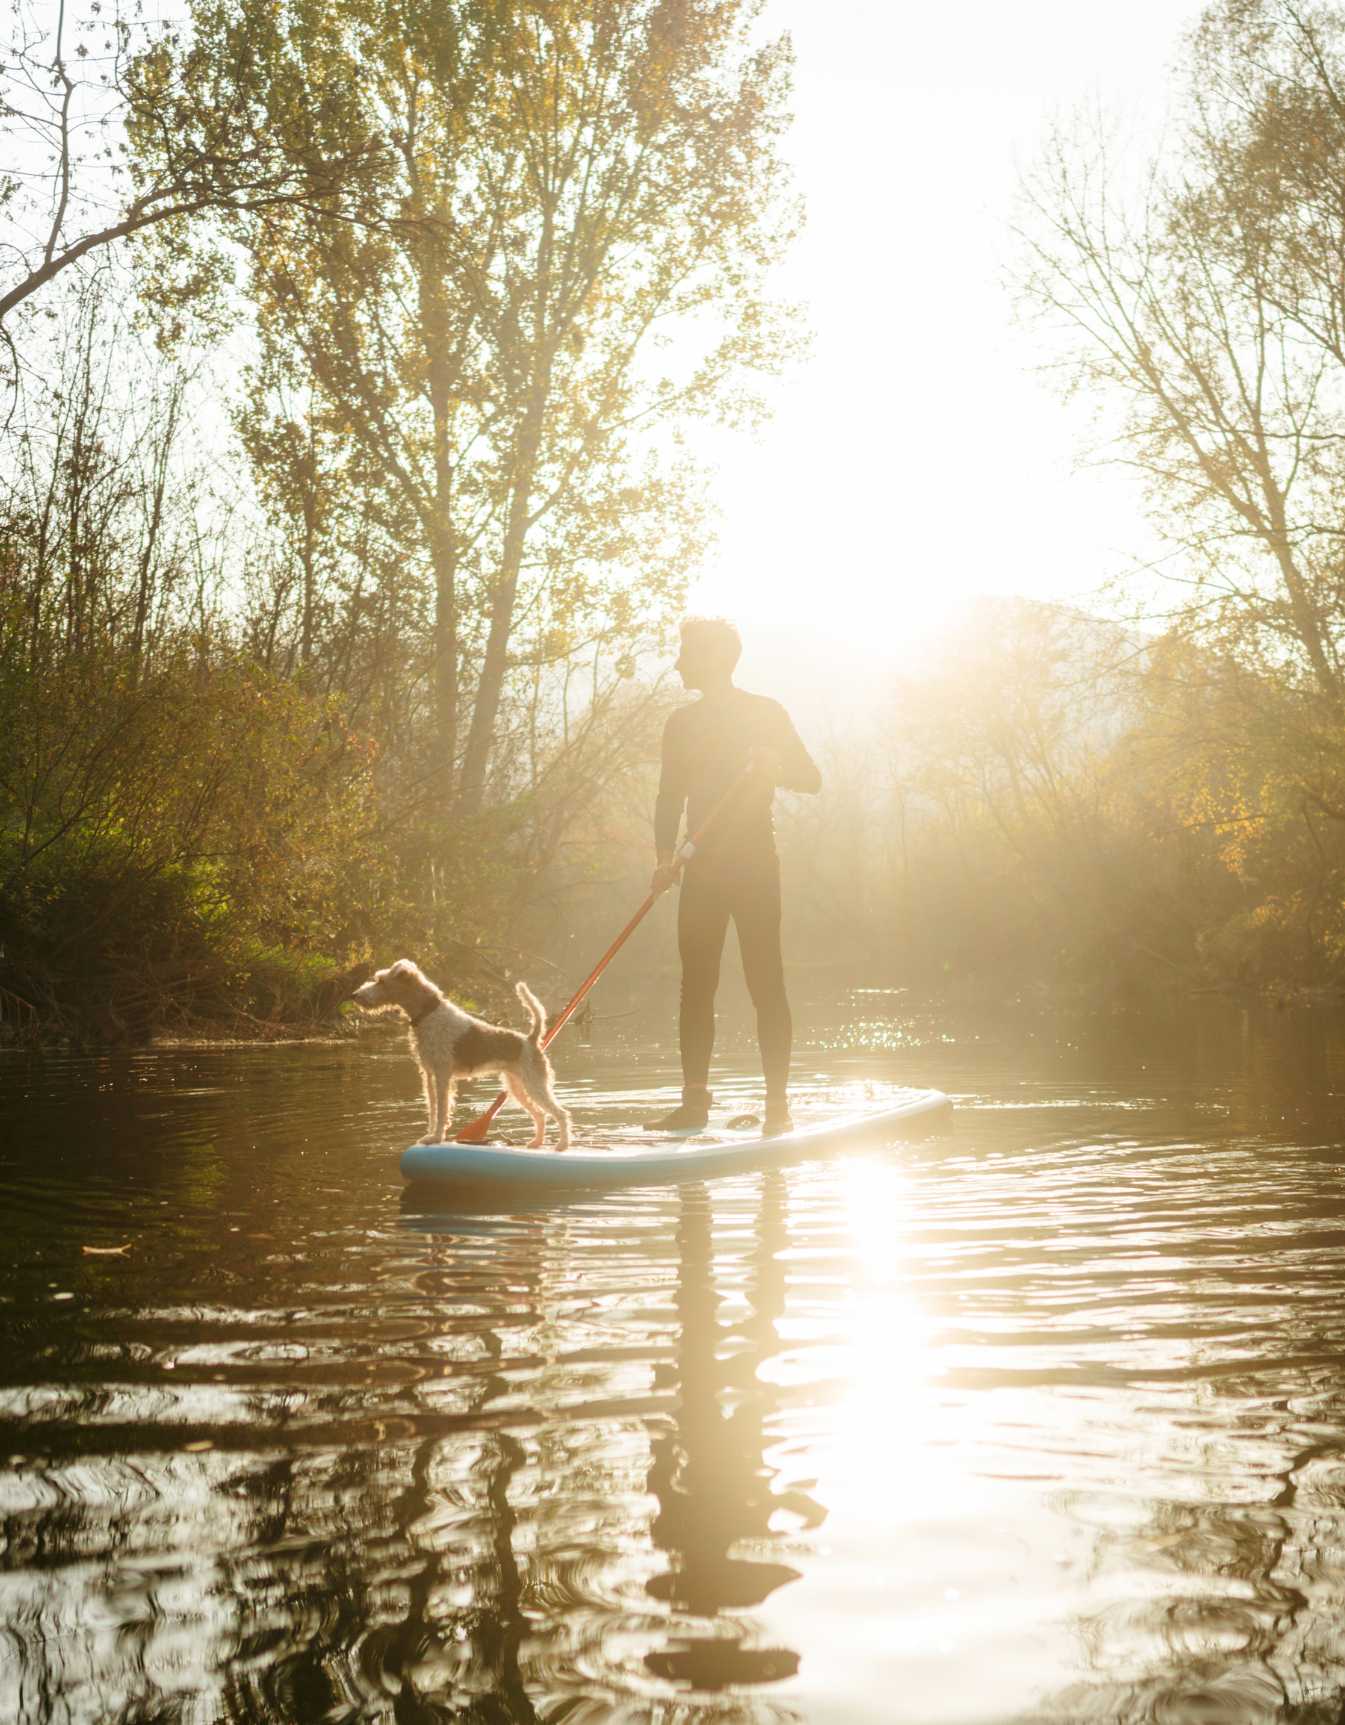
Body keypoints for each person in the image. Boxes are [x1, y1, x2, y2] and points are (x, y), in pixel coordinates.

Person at [647, 617, 821, 1136]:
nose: (678, 662)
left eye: (685, 653)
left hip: (754, 868)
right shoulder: (680, 724)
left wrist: (773, 767)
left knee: (765, 981)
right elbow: (667, 797)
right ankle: (694, 1104)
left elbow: (810, 779)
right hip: (699, 868)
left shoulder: (766, 714)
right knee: (695, 987)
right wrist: (662, 857)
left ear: (713, 659)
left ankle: (777, 1109)